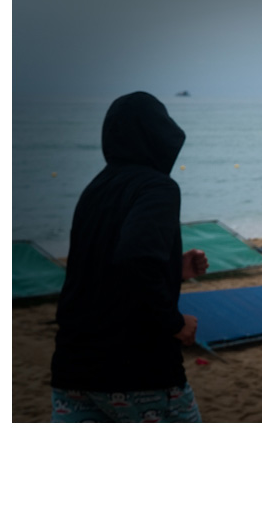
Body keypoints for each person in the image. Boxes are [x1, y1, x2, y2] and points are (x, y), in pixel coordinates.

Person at [50, 91, 209, 422]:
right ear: (160, 134)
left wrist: (172, 268)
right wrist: (175, 323)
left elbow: (95, 267)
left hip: (72, 370)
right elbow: (135, 259)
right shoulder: (158, 187)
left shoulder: (95, 189)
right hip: (137, 370)